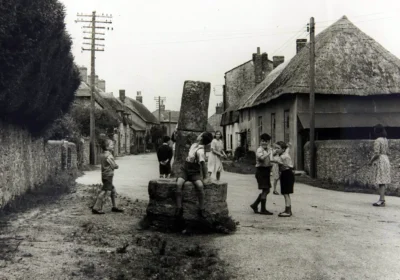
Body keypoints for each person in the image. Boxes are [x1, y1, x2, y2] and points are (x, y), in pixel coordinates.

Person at [175, 132, 213, 218]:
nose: (198, 135)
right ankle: (179, 208)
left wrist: (206, 177)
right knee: (178, 184)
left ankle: (201, 209)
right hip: (185, 169)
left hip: (194, 171)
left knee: (200, 186)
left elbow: (203, 165)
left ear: (201, 138)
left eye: (200, 135)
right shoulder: (194, 144)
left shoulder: (200, 151)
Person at [92, 139, 124, 215]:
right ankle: (96, 208)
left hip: (104, 175)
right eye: (111, 145)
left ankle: (114, 207)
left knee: (112, 190)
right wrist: (117, 166)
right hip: (108, 176)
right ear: (107, 147)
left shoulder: (102, 154)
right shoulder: (109, 155)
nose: (113, 146)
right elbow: (114, 166)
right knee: (104, 191)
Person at [250, 133, 273, 215]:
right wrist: (269, 153)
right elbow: (262, 158)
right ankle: (262, 209)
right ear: (260, 141)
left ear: (269, 142)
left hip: (266, 171)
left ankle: (255, 205)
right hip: (261, 171)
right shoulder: (259, 150)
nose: (264, 143)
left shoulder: (268, 150)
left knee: (267, 190)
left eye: (266, 141)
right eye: (263, 141)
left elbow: (271, 161)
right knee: (265, 190)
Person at [369, 124, 391, 207]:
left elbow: (377, 154)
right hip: (386, 160)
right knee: (383, 181)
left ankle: (381, 200)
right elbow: (388, 152)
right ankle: (382, 199)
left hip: (381, 160)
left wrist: (371, 161)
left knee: (381, 181)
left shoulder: (377, 140)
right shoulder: (385, 140)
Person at [271, 141, 295, 217]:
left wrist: (272, 152)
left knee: (286, 193)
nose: (276, 149)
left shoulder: (282, 157)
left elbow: (272, 159)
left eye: (278, 148)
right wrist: (287, 147)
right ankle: (287, 209)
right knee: (285, 193)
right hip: (286, 173)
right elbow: (287, 149)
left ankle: (288, 211)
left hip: (287, 173)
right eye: (275, 148)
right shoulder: (284, 153)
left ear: (283, 149)